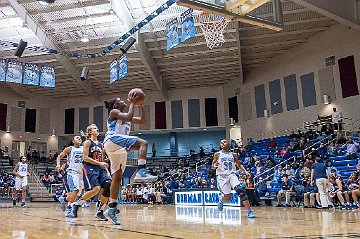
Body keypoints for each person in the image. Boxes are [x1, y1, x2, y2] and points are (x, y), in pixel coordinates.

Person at [103, 95, 157, 225]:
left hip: (117, 147)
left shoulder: (126, 116)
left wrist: (142, 106)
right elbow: (127, 116)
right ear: (115, 105)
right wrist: (133, 103)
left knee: (117, 178)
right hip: (113, 139)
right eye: (120, 101)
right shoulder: (114, 112)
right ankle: (141, 171)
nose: (123, 101)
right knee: (143, 143)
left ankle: (112, 207)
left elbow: (142, 120)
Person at [74, 124, 111, 221]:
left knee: (108, 184)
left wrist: (106, 170)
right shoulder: (87, 142)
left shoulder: (101, 144)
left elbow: (102, 160)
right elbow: (85, 158)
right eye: (95, 128)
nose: (97, 129)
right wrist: (100, 163)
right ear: (90, 132)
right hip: (90, 167)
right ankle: (77, 204)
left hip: (100, 168)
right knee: (96, 189)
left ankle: (100, 211)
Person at [212, 139, 255, 218]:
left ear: (228, 144)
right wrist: (215, 166)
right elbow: (212, 166)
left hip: (231, 174)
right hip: (222, 176)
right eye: (221, 142)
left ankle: (249, 211)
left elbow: (239, 165)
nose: (222, 143)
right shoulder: (217, 154)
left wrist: (245, 172)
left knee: (240, 190)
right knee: (228, 198)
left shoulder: (233, 155)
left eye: (224, 142)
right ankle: (221, 199)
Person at [55, 136, 84, 218]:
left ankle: (64, 199)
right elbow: (59, 157)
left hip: (81, 173)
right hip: (72, 171)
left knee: (77, 195)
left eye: (80, 138)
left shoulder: (84, 148)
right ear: (73, 141)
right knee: (75, 190)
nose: (79, 139)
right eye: (77, 138)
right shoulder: (70, 149)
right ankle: (70, 208)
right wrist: (58, 165)